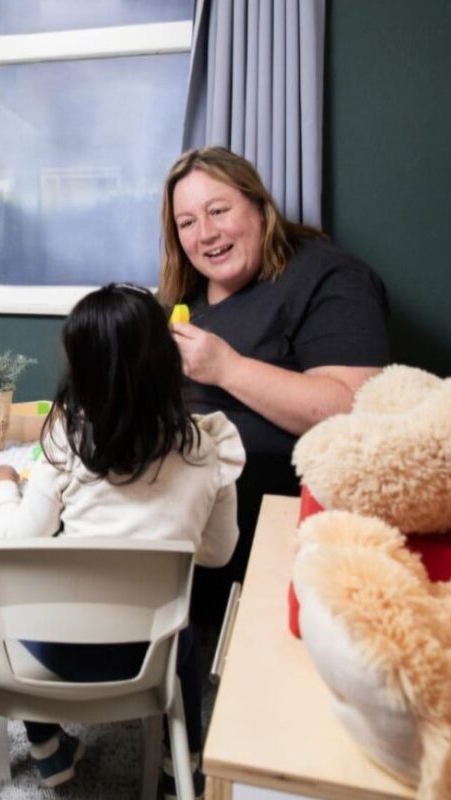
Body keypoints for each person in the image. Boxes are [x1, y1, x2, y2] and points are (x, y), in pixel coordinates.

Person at [0, 284, 245, 795]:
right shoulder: (207, 450)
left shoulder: (66, 441)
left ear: (80, 371)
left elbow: (18, 538)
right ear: (168, 362)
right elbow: (218, 553)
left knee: (15, 607)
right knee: (184, 633)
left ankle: (47, 747)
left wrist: (2, 488)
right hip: (152, 657)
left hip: (55, 654)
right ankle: (182, 761)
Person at [159, 146, 390, 617]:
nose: (206, 233)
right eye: (187, 223)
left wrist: (228, 368)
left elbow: (353, 408)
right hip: (169, 506)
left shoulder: (328, 278)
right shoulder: (185, 294)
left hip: (265, 517)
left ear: (260, 207)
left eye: (218, 211)